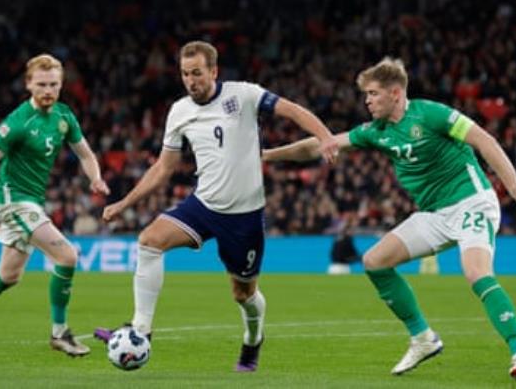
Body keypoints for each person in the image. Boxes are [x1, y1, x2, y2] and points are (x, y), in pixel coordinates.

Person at [262, 57, 516, 381]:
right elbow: (322, 145)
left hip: (472, 203)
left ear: (395, 93)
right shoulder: (375, 131)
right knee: (375, 261)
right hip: (434, 214)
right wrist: (269, 155)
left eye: (372, 93)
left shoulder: (431, 114)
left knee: (476, 273)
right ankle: (423, 338)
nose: (367, 101)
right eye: (366, 95)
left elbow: (485, 140)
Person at [93, 40, 338, 372]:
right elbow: (163, 168)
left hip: (244, 217)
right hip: (203, 205)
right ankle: (140, 330)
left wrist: (325, 137)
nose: (191, 80)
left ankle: (253, 340)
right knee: (149, 241)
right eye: (184, 74)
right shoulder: (179, 111)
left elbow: (293, 110)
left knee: (243, 294)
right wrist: (125, 202)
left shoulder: (244, 95)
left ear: (214, 71)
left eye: (197, 73)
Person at [0, 54, 110, 357]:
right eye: (41, 84)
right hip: (13, 201)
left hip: (32, 202)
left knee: (7, 276)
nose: (48, 90)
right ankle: (60, 333)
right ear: (28, 84)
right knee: (67, 256)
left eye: (53, 84)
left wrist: (95, 177)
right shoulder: (18, 122)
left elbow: (85, 153)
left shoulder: (64, 117)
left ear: (61, 84)